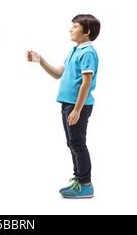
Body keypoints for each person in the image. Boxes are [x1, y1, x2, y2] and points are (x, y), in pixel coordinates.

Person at [27, 14, 100, 198]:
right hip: (68, 105)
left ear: (87, 32)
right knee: (73, 143)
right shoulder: (75, 50)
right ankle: (79, 180)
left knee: (78, 144)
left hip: (78, 106)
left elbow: (86, 82)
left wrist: (77, 109)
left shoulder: (88, 53)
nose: (70, 29)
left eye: (75, 26)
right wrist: (40, 60)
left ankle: (85, 184)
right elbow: (58, 73)